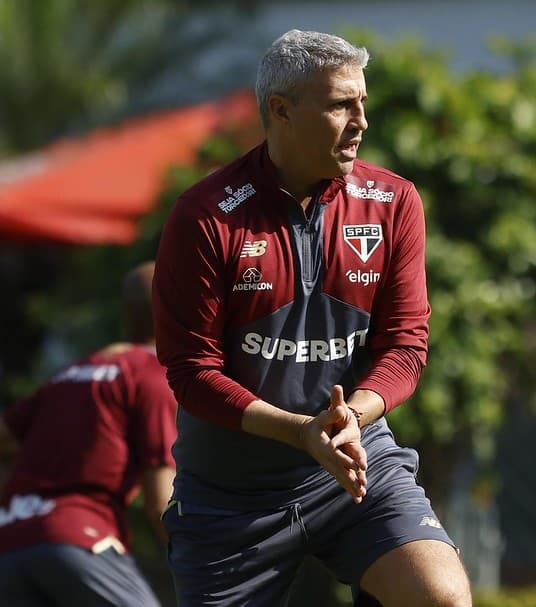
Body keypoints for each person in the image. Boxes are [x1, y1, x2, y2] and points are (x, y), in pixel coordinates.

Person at [152, 29, 472, 607]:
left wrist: (353, 417)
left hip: (355, 465)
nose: (361, 122)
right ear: (281, 110)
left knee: (440, 598)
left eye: (362, 102)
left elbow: (405, 346)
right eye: (340, 105)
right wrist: (300, 431)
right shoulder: (206, 215)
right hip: (231, 498)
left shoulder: (393, 202)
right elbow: (192, 371)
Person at [0, 261, 177, 607]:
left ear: (126, 315)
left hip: (9, 542)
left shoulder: (71, 372)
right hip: (80, 537)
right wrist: (209, 570)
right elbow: (160, 503)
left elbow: (4, 438)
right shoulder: (153, 376)